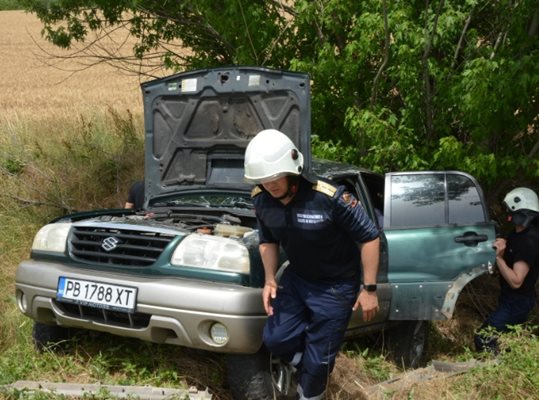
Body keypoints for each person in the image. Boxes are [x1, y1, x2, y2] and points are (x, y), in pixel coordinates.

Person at [244, 129, 381, 399]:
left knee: (319, 362)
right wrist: (270, 279)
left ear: (292, 169)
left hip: (336, 285)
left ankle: (310, 390)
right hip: (298, 279)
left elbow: (370, 237)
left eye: (275, 177)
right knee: (275, 339)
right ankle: (306, 367)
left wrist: (370, 289)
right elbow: (267, 241)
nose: (270, 184)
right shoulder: (261, 200)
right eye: (263, 179)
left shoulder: (328, 197)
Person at [474, 187, 539, 353]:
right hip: (511, 299)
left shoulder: (528, 241)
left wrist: (499, 258)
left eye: (509, 209)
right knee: (504, 339)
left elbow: (517, 281)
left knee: (484, 337)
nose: (507, 213)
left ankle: (495, 369)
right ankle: (502, 366)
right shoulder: (517, 234)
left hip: (517, 301)